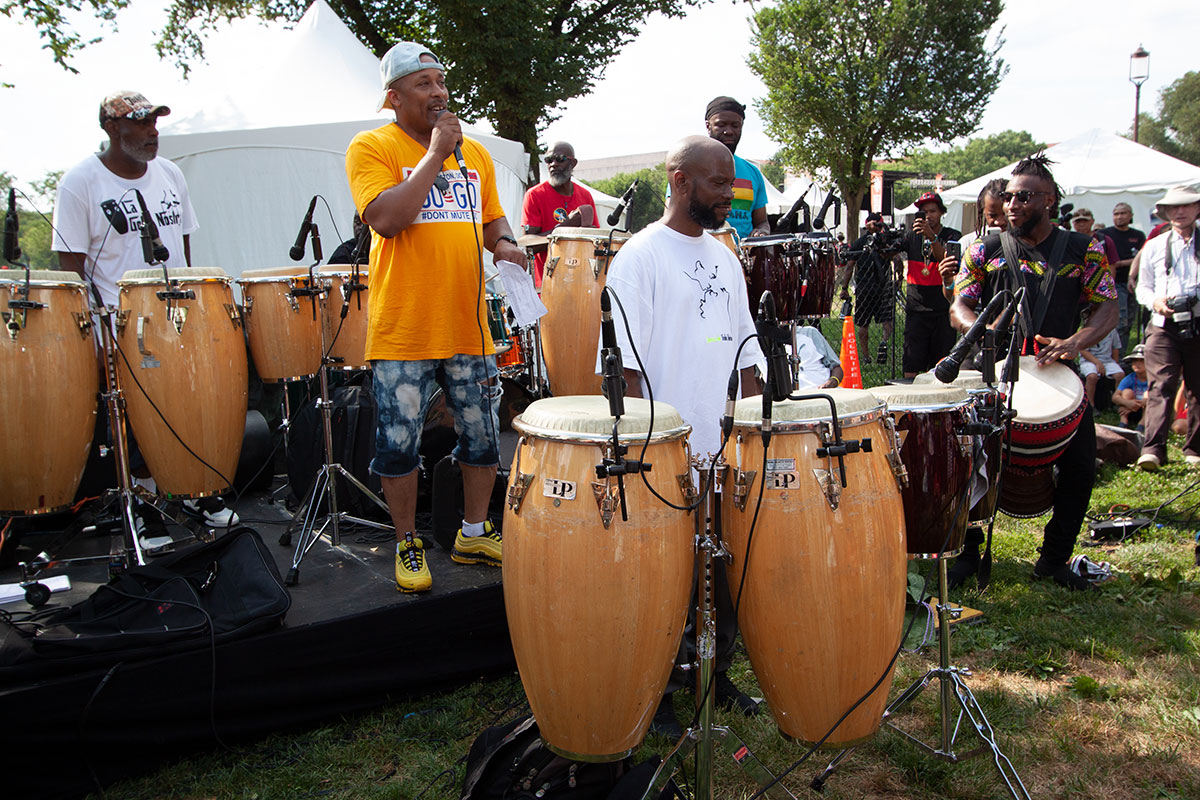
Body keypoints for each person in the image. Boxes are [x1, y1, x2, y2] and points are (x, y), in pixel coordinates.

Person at [345, 41, 527, 592]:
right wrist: (433, 154)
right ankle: (407, 542)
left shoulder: (474, 155)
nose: (439, 92)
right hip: (404, 328)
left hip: (467, 324)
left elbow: (493, 219)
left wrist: (508, 245)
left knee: (479, 435)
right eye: (423, 84)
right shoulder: (371, 146)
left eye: (441, 81)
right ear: (393, 97)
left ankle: (473, 531)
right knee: (398, 442)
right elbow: (388, 219)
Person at [602, 135, 764, 737]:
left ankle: (713, 677)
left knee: (716, 567)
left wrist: (748, 432)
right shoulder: (639, 257)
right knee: (664, 578)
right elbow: (624, 370)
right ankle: (661, 689)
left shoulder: (725, 255)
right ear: (679, 179)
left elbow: (746, 351)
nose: (730, 193)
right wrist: (654, 456)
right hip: (663, 454)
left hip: (720, 448)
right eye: (718, 183)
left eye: (732, 183)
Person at [52, 90, 238, 529]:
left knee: (192, 404)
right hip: (122, 321)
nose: (152, 131)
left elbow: (184, 246)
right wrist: (96, 336)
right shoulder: (80, 183)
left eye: (155, 122)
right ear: (112, 128)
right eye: (140, 123)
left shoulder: (170, 173)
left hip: (181, 315)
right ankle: (146, 507)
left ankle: (196, 491)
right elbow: (71, 270)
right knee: (135, 417)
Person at [948, 154, 1117, 591]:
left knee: (1080, 468)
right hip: (987, 370)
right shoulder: (984, 248)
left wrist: (1075, 343)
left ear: (1050, 199)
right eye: (1007, 196)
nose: (1011, 204)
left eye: (1023, 196)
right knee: (968, 464)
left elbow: (1108, 308)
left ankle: (1054, 559)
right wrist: (980, 330)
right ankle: (967, 551)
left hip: (1058, 376)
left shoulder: (1084, 250)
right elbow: (959, 305)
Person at [1132, 186, 1200, 471]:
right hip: (1162, 324)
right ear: (1166, 212)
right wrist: (1155, 302)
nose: (1179, 212)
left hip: (1198, 321)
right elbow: (1141, 286)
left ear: (1197, 209)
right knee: (1160, 384)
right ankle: (1153, 450)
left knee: (1198, 386)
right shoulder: (1155, 245)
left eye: (1185, 206)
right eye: (1173, 207)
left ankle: (1194, 449)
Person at [521, 141, 597, 288]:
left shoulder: (585, 195)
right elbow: (529, 245)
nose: (553, 164)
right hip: (548, 285)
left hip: (580, 283)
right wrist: (567, 226)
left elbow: (594, 241)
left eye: (560, 159)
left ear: (573, 163)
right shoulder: (534, 195)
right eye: (549, 160)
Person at [902, 191, 961, 378]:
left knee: (942, 366)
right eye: (924, 212)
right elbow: (890, 249)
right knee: (911, 364)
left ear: (941, 212)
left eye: (933, 211)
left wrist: (931, 236)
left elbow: (948, 259)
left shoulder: (952, 235)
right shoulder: (911, 236)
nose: (929, 216)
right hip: (916, 310)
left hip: (943, 309)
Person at [703, 96, 770, 239]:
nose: (729, 131)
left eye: (735, 125)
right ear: (708, 126)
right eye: (721, 125)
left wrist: (762, 231)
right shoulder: (690, 167)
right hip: (700, 256)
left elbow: (762, 221)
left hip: (742, 258)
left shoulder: (753, 173)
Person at [843, 212, 900, 364]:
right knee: (886, 320)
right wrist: (899, 278)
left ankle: (866, 356)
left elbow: (850, 267)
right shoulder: (886, 243)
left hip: (864, 287)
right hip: (882, 286)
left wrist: (844, 287)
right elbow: (898, 260)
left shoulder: (859, 242)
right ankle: (884, 342)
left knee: (863, 323)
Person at [1100, 202, 1147, 351]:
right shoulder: (1106, 234)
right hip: (1114, 282)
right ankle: (1117, 357)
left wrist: (1121, 263)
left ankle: (1125, 354)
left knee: (1130, 322)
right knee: (1120, 321)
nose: (1119, 217)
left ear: (1131, 216)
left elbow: (1143, 256)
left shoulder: (1138, 235)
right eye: (1116, 214)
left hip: (1133, 282)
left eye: (1123, 213)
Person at [1078, 314, 1123, 408]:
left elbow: (1115, 348)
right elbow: (1082, 350)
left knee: (1120, 375)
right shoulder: (1085, 330)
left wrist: (1115, 363)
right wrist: (1097, 363)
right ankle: (1090, 405)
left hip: (1107, 360)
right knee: (1092, 376)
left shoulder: (1112, 331)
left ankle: (1118, 402)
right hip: (1088, 361)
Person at [1113, 344, 1148, 429]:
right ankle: (1123, 422)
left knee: (1148, 394)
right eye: (1135, 361)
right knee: (1126, 392)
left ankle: (1142, 425)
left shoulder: (1153, 378)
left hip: (1148, 411)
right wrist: (1127, 403)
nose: (1137, 364)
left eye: (1141, 361)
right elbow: (1115, 397)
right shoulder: (1130, 378)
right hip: (1130, 409)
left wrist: (1137, 405)